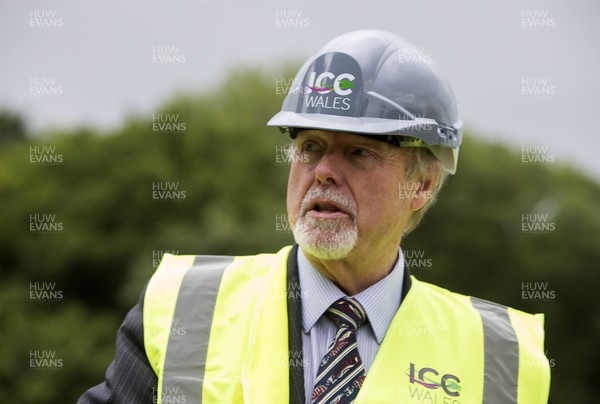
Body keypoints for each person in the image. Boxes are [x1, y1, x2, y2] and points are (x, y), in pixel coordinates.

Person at [78, 29, 550, 404]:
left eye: (359, 153)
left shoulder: (501, 356)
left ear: (422, 185)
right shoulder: (185, 303)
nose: (323, 171)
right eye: (310, 147)